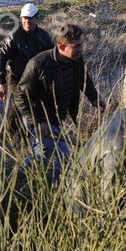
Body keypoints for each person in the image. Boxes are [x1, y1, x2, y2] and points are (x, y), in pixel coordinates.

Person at [14, 23, 106, 180]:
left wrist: (94, 98)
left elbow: (83, 78)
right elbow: (20, 96)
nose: (81, 49)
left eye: (82, 44)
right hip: (38, 116)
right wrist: (38, 121)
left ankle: (18, 176)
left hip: (56, 118)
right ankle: (57, 188)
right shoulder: (39, 64)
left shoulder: (75, 59)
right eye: (76, 46)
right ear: (61, 47)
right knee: (64, 157)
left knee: (43, 153)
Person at [0, 3, 53, 132]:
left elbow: (51, 58)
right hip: (17, 78)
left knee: (30, 107)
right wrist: (1, 81)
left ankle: (20, 133)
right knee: (21, 104)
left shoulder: (44, 36)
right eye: (24, 18)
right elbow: (0, 57)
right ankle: (8, 133)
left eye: (30, 18)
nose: (27, 21)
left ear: (37, 19)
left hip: (36, 78)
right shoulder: (14, 37)